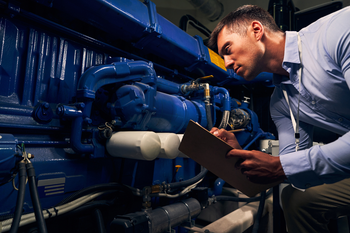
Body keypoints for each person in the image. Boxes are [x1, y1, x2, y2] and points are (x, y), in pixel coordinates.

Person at [207, 5, 350, 233]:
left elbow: (284, 167)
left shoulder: (338, 32)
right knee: (297, 200)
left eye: (228, 48)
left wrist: (281, 167)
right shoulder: (281, 104)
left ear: (256, 30)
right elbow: (292, 169)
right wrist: (239, 155)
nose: (227, 63)